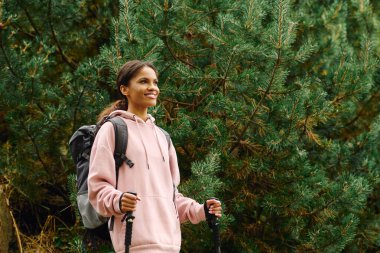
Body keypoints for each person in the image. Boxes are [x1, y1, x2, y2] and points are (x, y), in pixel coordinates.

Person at [88, 60, 222, 253]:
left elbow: (172, 197)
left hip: (170, 245)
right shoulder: (113, 130)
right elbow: (97, 189)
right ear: (124, 89)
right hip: (133, 243)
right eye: (143, 81)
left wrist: (201, 211)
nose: (152, 87)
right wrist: (118, 200)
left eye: (155, 82)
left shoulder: (163, 137)